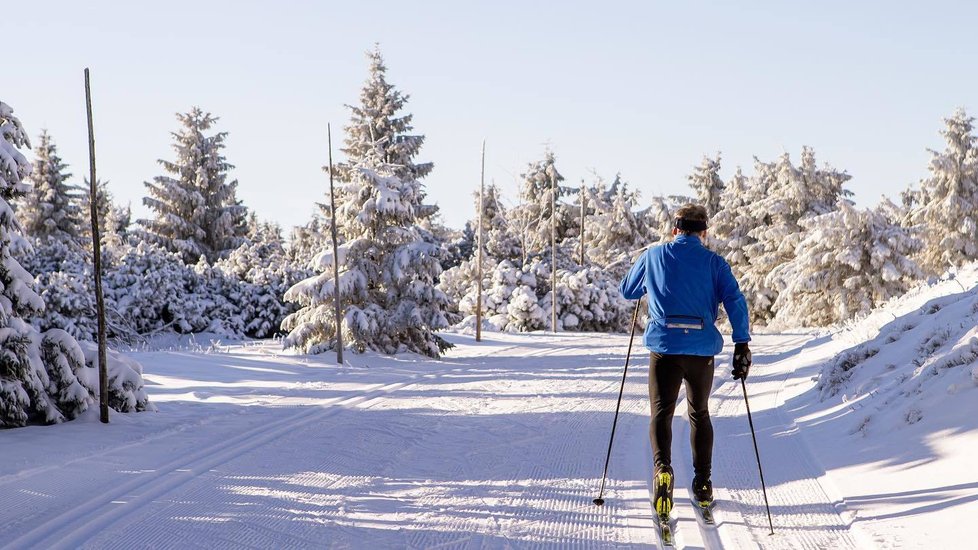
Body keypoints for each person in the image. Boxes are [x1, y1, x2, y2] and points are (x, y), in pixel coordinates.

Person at [619, 203, 752, 519]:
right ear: (703, 232)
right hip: (701, 351)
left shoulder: (654, 256)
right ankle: (703, 484)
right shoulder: (714, 263)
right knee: (699, 413)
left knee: (661, 412)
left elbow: (628, 290)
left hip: (664, 349)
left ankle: (662, 469)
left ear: (674, 229)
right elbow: (734, 299)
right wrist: (741, 343)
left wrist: (650, 282)